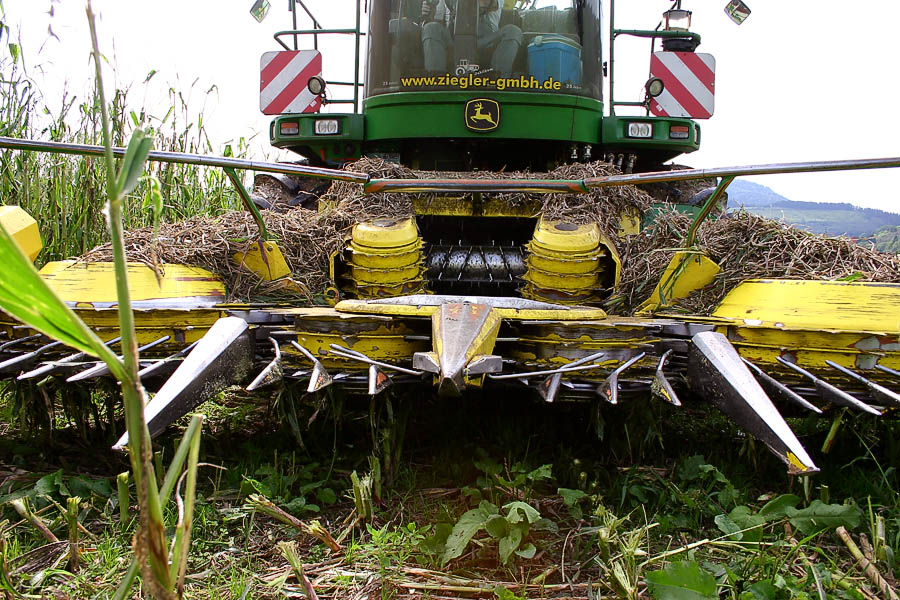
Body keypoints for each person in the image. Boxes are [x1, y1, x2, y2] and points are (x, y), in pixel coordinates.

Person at [421, 0, 522, 77]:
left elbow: (485, 3)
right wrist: (430, 11)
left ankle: (499, 79)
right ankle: (435, 80)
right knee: (431, 28)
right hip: (454, 43)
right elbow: (437, 22)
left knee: (513, 31)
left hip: (485, 43)